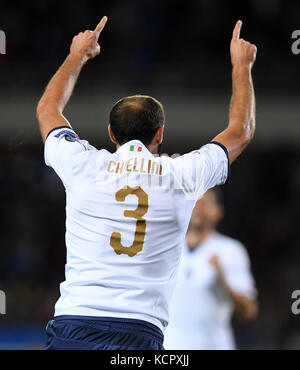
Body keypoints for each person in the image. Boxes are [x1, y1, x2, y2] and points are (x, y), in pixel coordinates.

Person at [36, 16, 257, 350]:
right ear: (160, 134)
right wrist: (242, 66)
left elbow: (47, 110)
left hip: (75, 326)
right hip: (140, 334)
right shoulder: (182, 176)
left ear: (112, 134)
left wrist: (77, 55)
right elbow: (241, 131)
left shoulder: (84, 165)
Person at [164, 189, 258, 350]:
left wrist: (224, 281)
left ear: (218, 213)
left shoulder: (230, 251)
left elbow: (250, 311)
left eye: (205, 203)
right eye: (195, 202)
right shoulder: (168, 248)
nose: (198, 207)